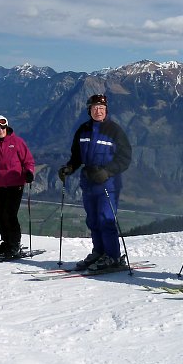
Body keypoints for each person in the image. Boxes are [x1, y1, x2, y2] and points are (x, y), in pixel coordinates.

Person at [57, 94, 132, 272]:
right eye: (95, 107)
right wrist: (69, 168)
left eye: (102, 108)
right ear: (89, 110)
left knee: (106, 219)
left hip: (108, 183)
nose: (98, 111)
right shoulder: (83, 130)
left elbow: (125, 157)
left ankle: (113, 257)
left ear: (106, 110)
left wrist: (107, 171)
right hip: (88, 181)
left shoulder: (114, 130)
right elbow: (76, 156)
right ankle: (99, 251)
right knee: (92, 220)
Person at [0, 114, 36, 259]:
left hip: (15, 184)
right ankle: (6, 242)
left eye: (2, 126)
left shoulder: (17, 142)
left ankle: (14, 244)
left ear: (7, 126)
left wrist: (29, 172)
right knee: (0, 216)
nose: (0, 130)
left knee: (9, 215)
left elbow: (28, 161)